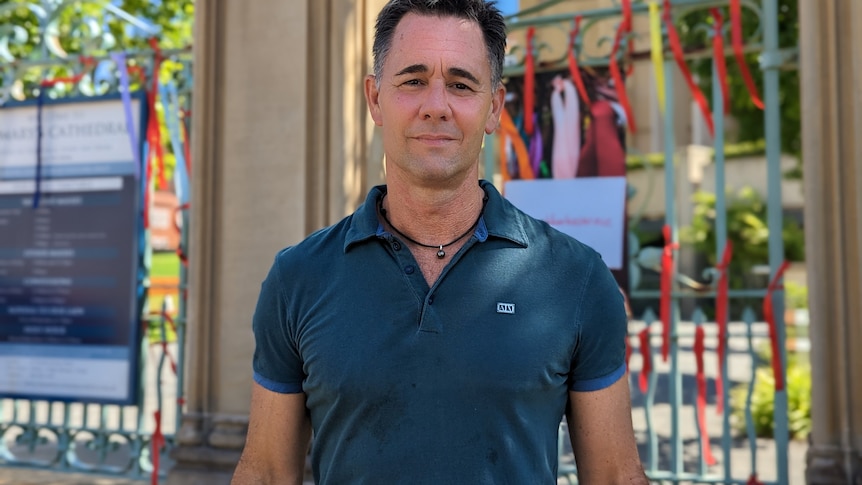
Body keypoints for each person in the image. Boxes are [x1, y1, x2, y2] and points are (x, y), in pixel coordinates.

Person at [232, 1, 647, 483]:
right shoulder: (298, 277)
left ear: (493, 108)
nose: (436, 104)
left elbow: (616, 476)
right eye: (412, 80)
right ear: (374, 100)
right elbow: (264, 472)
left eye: (461, 84)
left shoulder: (574, 278)